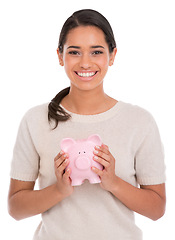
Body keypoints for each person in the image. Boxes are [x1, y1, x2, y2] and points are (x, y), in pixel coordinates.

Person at [8, 9, 166, 240]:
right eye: (74, 52)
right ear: (60, 56)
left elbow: (157, 210)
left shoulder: (140, 121)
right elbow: (15, 209)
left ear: (112, 56)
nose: (85, 63)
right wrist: (60, 189)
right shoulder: (36, 120)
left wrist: (113, 183)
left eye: (96, 52)